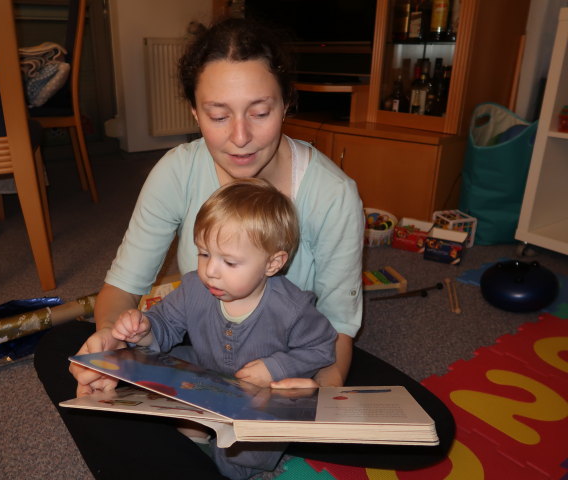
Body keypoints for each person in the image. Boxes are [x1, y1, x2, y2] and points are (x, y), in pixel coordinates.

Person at [34, 16, 454, 480]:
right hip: (201, 349)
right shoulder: (175, 172)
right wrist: (112, 346)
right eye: (218, 115)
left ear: (287, 103)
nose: (239, 137)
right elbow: (122, 288)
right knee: (60, 351)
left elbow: (334, 330)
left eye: (260, 111)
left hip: (290, 359)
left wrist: (313, 395)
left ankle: (192, 452)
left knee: (432, 429)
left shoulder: (333, 194)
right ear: (194, 113)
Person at [111, 178, 338, 479]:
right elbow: (165, 324)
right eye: (204, 253)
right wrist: (144, 330)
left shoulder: (292, 308)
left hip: (259, 395)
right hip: (208, 373)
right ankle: (198, 426)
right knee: (167, 365)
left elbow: (321, 347)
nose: (210, 271)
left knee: (239, 459)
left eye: (229, 262)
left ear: (272, 264)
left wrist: (275, 367)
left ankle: (222, 446)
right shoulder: (194, 287)